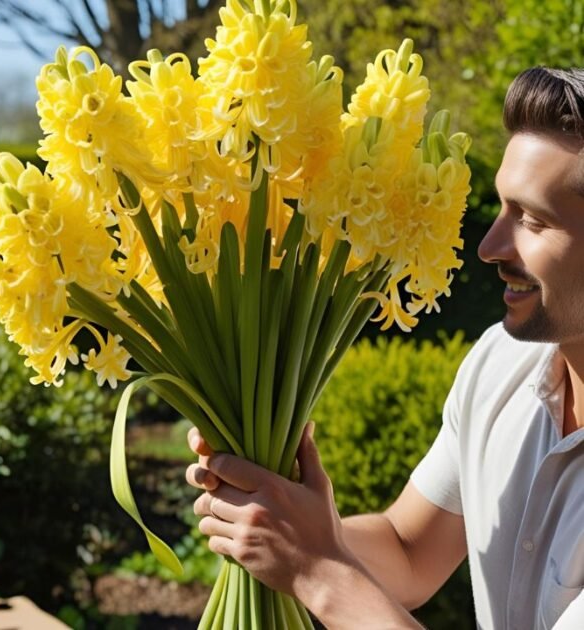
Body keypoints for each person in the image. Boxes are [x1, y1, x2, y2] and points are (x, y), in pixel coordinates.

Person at [185, 67, 584, 629]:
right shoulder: (500, 364)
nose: (490, 246)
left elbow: (336, 569)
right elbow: (407, 552)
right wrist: (279, 513)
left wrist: (317, 569)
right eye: (500, 208)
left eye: (534, 220)